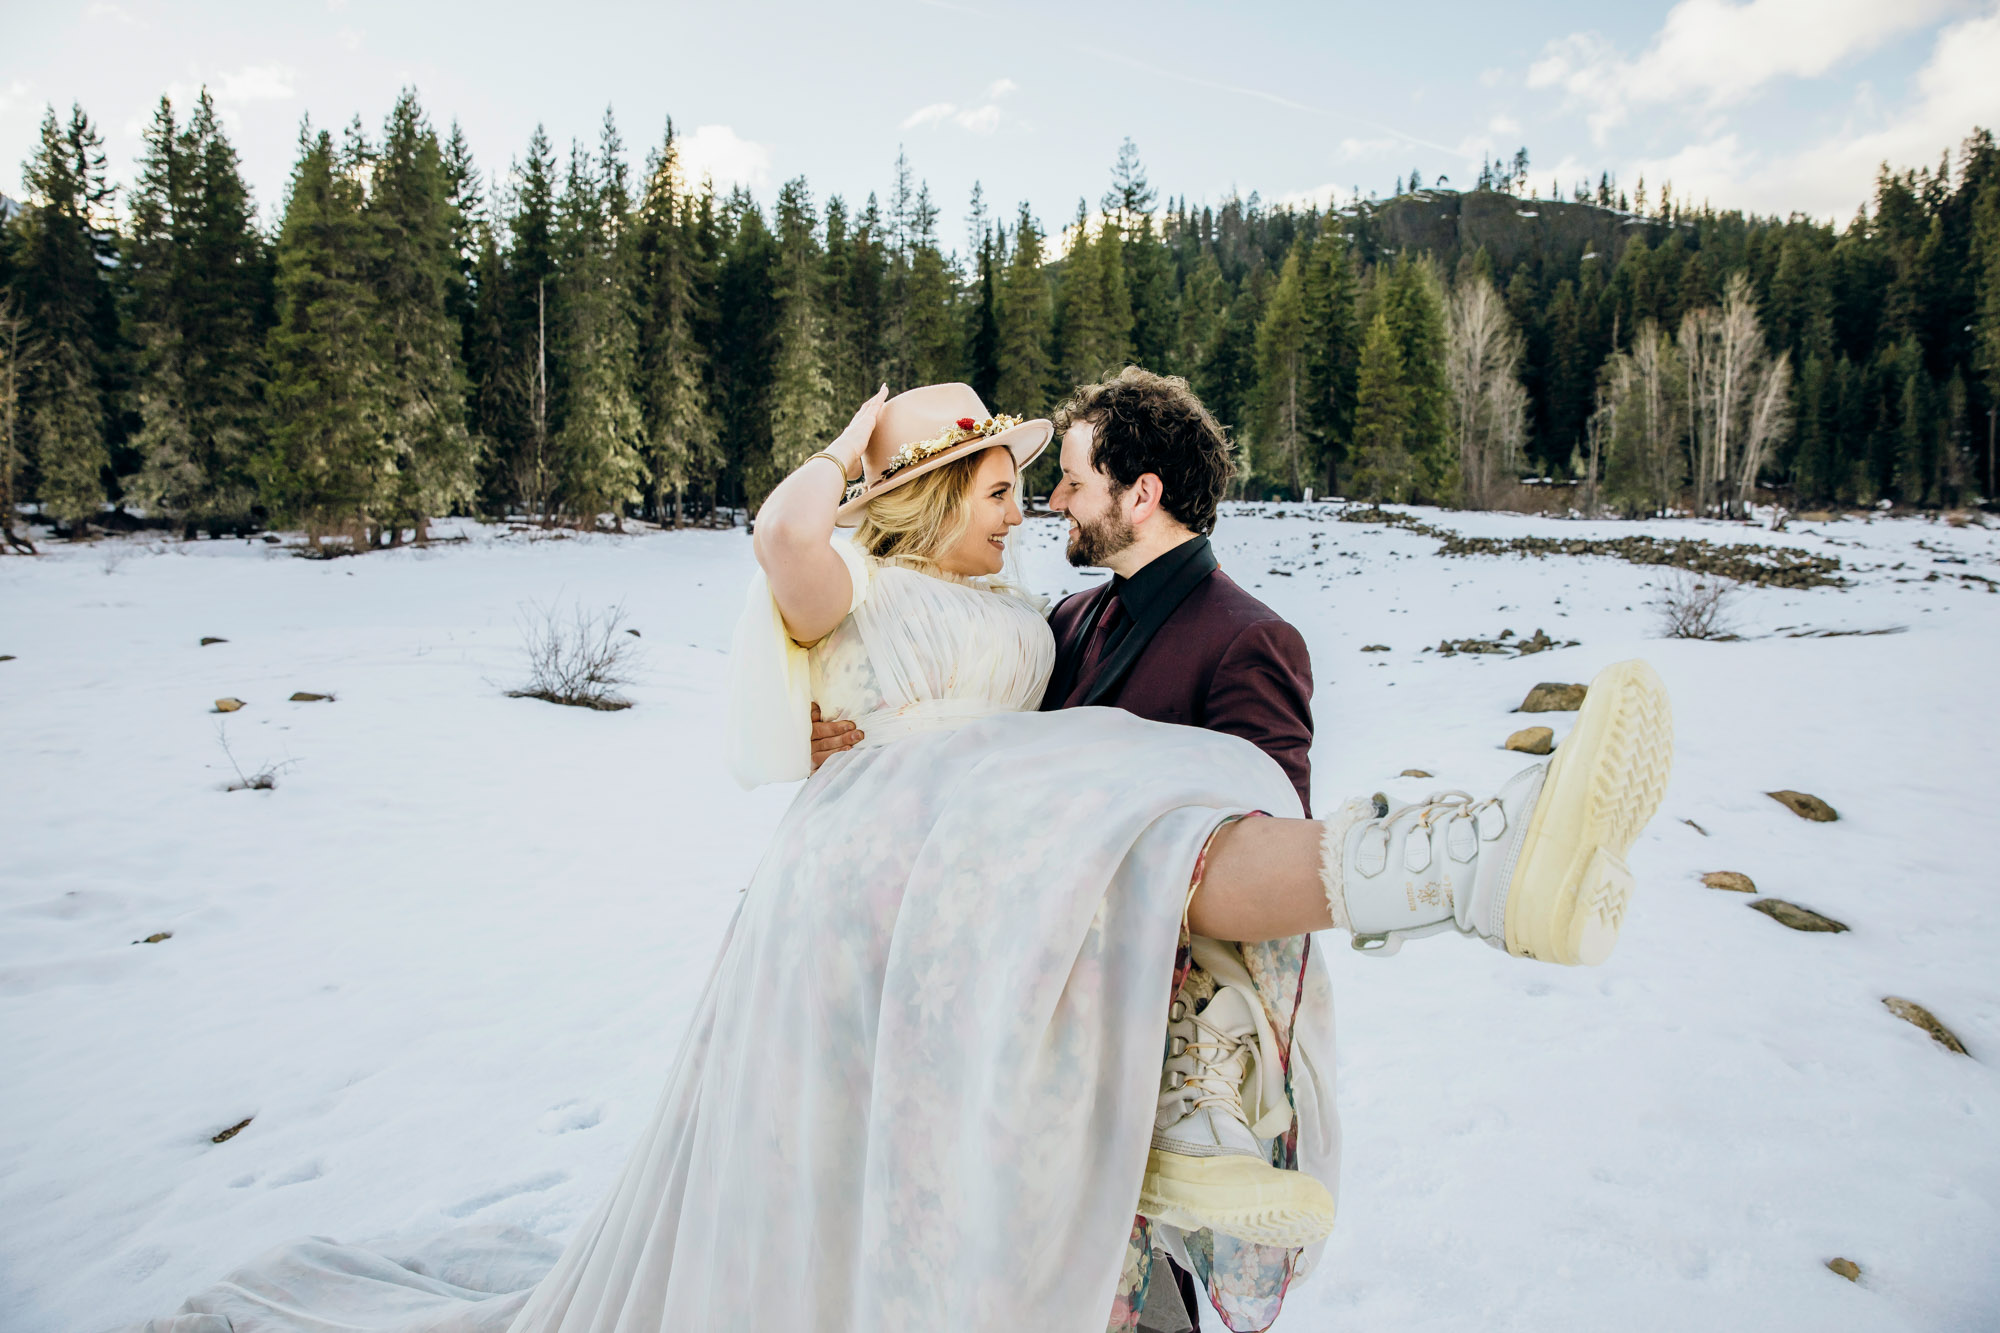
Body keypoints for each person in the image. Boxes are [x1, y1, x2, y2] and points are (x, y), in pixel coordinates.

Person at [127, 383, 1672, 1333]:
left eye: (1065, 478)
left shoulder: (1244, 635)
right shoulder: (1052, 619)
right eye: (1022, 481)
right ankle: (1472, 861)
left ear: (1143, 491)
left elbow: (1246, 813)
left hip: (1137, 996)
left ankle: (1476, 862)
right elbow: (894, 670)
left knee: (1180, 819)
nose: (1050, 498)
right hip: (960, 953)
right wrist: (847, 723)